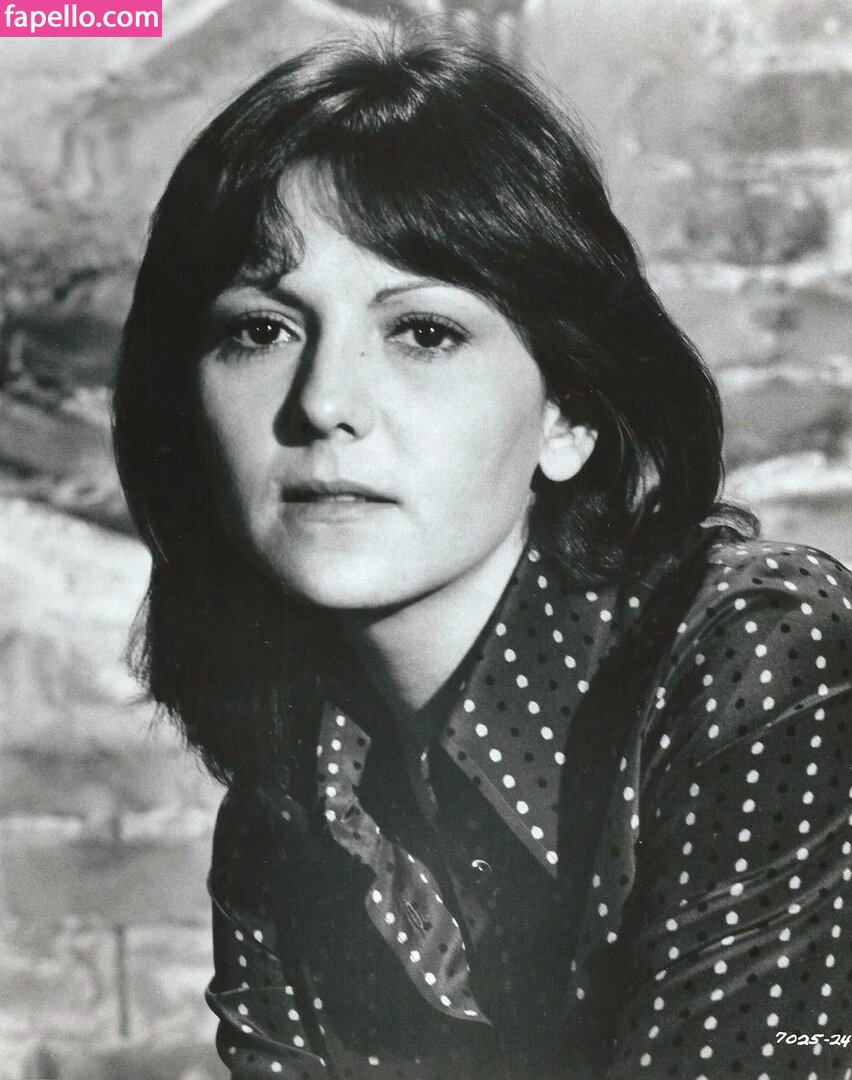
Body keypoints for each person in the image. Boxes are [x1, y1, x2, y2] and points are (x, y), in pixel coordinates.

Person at [112, 33, 852, 1080]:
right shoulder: (290, 813)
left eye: (422, 332)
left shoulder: (759, 655)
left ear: (569, 415)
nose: (324, 402)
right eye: (263, 330)